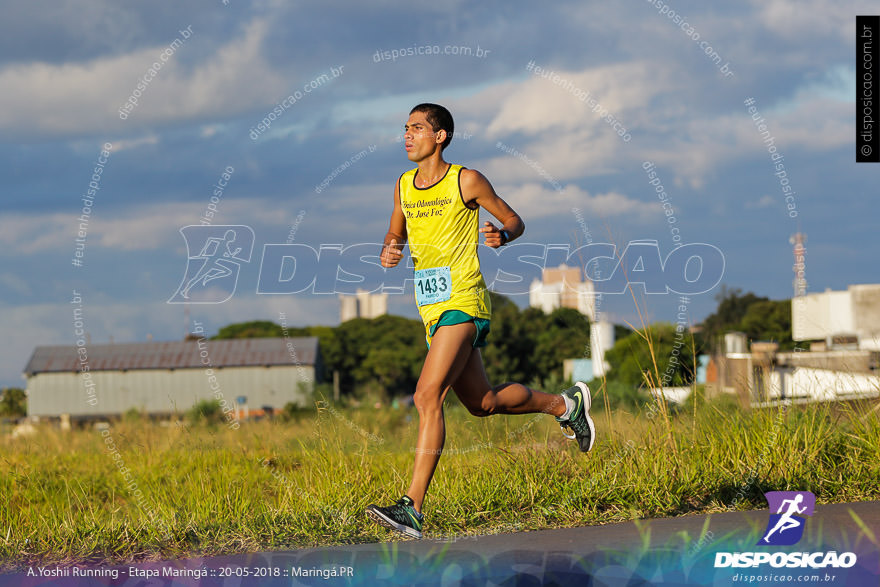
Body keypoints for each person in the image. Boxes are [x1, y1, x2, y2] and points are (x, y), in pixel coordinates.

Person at [365, 103, 595, 539]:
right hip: (431, 309)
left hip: (465, 300)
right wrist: (390, 249)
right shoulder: (402, 186)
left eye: (416, 128)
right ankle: (565, 406)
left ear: (441, 136)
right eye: (405, 128)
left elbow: (514, 219)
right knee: (482, 403)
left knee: (425, 394)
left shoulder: (465, 179)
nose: (407, 135)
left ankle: (411, 507)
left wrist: (502, 235)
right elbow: (396, 232)